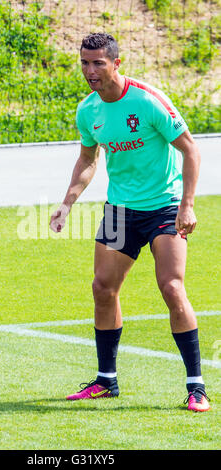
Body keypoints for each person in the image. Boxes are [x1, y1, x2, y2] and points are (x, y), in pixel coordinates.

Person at [50, 33, 210, 412]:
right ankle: (106, 380)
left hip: (163, 206)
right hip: (121, 210)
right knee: (103, 288)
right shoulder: (88, 111)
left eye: (98, 63)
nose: (90, 71)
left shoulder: (146, 100)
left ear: (116, 64)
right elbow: (88, 160)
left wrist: (187, 205)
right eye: (85, 62)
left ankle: (197, 386)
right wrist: (67, 202)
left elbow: (190, 149)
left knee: (171, 286)